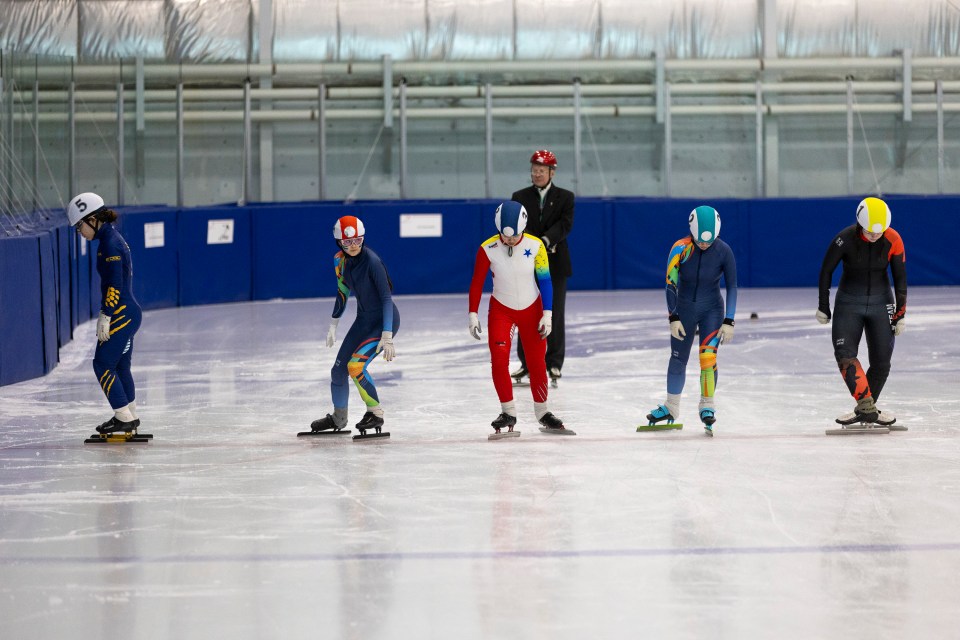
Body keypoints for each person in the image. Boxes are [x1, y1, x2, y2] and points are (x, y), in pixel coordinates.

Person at [468, 201, 567, 434]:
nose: (509, 240)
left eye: (514, 236)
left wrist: (548, 314)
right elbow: (476, 283)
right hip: (501, 310)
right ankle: (508, 411)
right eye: (505, 235)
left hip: (532, 310)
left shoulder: (535, 246)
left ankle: (543, 412)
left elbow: (545, 280)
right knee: (499, 359)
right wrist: (473, 313)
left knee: (536, 362)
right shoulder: (487, 248)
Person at [646, 205, 738, 436]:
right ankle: (671, 407)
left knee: (708, 358)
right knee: (678, 359)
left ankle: (707, 405)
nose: (704, 244)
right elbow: (670, 283)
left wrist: (730, 320)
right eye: (700, 240)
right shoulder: (680, 248)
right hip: (684, 310)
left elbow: (733, 286)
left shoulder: (724, 251)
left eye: (709, 241)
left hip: (713, 310)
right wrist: (673, 316)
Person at [817, 196, 906, 426]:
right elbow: (826, 271)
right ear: (859, 223)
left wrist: (900, 313)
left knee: (882, 363)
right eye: (869, 231)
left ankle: (866, 409)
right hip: (849, 302)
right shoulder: (844, 239)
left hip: (881, 302)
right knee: (845, 354)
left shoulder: (893, 238)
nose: (875, 235)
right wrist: (824, 306)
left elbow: (900, 279)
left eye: (879, 232)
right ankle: (867, 406)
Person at [310, 215, 399, 435]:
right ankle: (339, 418)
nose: (353, 246)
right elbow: (342, 291)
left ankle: (375, 413)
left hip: (383, 322)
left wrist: (386, 336)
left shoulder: (372, 261)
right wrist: (333, 324)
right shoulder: (339, 261)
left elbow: (386, 298)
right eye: (347, 242)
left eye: (358, 240)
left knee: (356, 367)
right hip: (364, 320)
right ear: (338, 242)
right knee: (338, 371)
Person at [67, 192, 143, 434]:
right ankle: (130, 413)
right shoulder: (111, 238)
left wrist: (106, 314)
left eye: (80, 225)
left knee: (102, 365)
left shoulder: (109, 244)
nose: (79, 231)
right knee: (120, 367)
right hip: (129, 311)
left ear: (93, 219)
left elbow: (114, 285)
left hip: (121, 312)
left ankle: (123, 417)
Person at [509, 149, 575, 386]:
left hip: (555, 265)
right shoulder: (519, 196)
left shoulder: (566, 197)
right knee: (526, 313)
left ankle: (554, 362)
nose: (536, 174)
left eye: (541, 171)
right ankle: (526, 363)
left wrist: (545, 241)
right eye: (534, 170)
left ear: (551, 172)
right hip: (526, 265)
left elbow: (565, 225)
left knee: (554, 313)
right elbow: (517, 224)